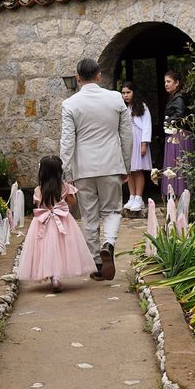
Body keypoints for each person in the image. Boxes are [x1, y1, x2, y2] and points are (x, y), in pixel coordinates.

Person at [60, 58, 133, 281]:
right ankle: (109, 243)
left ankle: (97, 263)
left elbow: (67, 141)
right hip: (111, 164)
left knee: (89, 216)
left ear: (78, 78)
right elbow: (127, 136)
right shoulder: (116, 99)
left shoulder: (70, 104)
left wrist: (66, 172)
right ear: (99, 75)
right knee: (112, 210)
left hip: (83, 168)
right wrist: (126, 165)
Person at [17, 155, 96, 293]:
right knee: (62, 249)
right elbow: (73, 203)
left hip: (43, 222)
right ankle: (56, 277)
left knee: (45, 249)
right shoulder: (65, 187)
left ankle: (52, 274)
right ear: (60, 172)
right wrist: (62, 202)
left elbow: (38, 205)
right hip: (63, 221)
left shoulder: (38, 190)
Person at [121, 81, 153, 211]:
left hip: (139, 139)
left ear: (134, 92)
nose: (126, 95)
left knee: (138, 170)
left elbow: (146, 125)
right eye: (123, 93)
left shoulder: (142, 107)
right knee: (130, 170)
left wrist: (144, 143)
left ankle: (139, 197)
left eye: (128, 92)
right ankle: (132, 196)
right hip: (129, 140)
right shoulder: (125, 108)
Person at [162, 70, 194, 198]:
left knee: (177, 165)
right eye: (165, 82)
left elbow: (180, 115)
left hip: (179, 136)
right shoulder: (174, 97)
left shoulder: (179, 97)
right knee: (175, 166)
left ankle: (181, 195)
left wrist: (167, 122)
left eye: (169, 81)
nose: (166, 84)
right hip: (175, 134)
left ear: (177, 83)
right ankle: (175, 196)